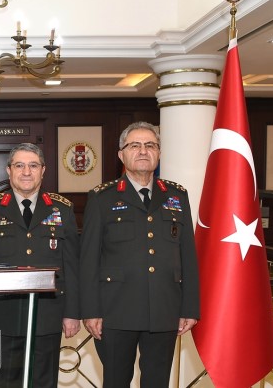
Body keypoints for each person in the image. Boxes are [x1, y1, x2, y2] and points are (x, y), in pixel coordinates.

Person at [79, 121, 200, 387]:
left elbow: (188, 255)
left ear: (159, 153)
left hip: (164, 309)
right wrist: (90, 310)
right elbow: (88, 259)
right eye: (135, 145)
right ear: (121, 155)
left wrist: (190, 307)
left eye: (150, 145)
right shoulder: (102, 198)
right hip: (115, 311)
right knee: (116, 381)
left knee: (157, 382)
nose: (143, 151)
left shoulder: (177, 196)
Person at [0, 142, 82, 388]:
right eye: (19, 166)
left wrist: (72, 312)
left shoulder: (62, 209)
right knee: (4, 383)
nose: (26, 172)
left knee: (44, 383)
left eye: (33, 166)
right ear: (9, 171)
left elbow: (72, 266)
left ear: (43, 170)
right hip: (3, 316)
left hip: (48, 315)